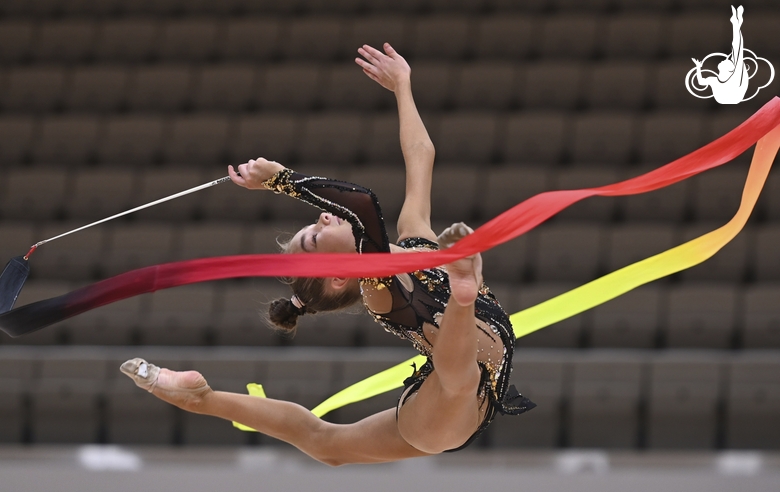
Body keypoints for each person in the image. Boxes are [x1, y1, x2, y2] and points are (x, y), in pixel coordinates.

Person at [122, 43, 533, 465]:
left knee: (326, 445)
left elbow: (420, 155)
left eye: (310, 228)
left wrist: (402, 87)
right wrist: (281, 180)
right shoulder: (379, 289)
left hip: (443, 403)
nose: (320, 221)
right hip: (447, 410)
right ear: (340, 275)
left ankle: (202, 398)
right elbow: (362, 204)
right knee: (458, 380)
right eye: (314, 239)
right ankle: (463, 294)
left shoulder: (418, 241)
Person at [691, 5, 748, 104]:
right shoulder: (714, 80)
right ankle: (736, 23)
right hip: (726, 98)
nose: (726, 59)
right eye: (728, 60)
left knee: (737, 50)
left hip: (734, 97)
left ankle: (736, 23)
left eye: (728, 61)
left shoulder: (735, 77)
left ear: (730, 69)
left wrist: (736, 25)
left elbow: (737, 48)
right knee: (736, 51)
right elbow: (701, 82)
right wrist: (698, 67)